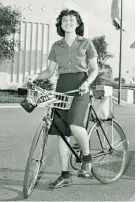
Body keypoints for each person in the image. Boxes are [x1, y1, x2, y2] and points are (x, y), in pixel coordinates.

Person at [31, 9, 98, 188]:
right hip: (62, 87)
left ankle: (87, 157)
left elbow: (94, 69)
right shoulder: (56, 46)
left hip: (81, 87)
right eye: (64, 20)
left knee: (75, 124)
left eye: (71, 20)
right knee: (62, 133)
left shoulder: (86, 43)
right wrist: (35, 77)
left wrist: (87, 83)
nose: (68, 22)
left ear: (77, 23)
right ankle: (65, 175)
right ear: (60, 25)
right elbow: (49, 72)